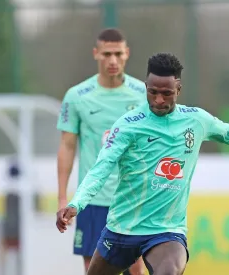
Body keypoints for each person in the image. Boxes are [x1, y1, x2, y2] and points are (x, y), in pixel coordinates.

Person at [56, 52, 229, 275]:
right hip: (122, 229)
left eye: (167, 93)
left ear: (178, 89)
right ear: (146, 88)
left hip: (166, 231)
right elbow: (101, 168)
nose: (159, 100)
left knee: (169, 272)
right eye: (153, 92)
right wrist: (77, 203)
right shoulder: (128, 125)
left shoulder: (196, 120)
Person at [56, 28, 147, 274]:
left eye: (118, 53)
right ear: (96, 54)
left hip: (130, 198)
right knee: (94, 269)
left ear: (127, 53)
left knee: (135, 269)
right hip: (92, 201)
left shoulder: (143, 94)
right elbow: (67, 146)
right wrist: (64, 197)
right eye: (107, 54)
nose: (113, 60)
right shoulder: (76, 96)